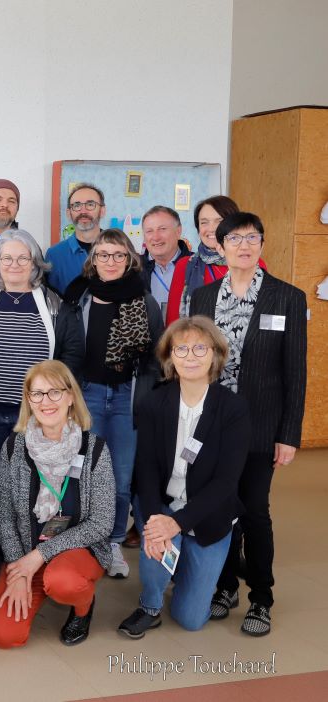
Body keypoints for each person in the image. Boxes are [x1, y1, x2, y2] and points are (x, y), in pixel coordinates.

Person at [190, 212, 307, 636]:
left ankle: (261, 597)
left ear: (261, 244)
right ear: (218, 247)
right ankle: (225, 587)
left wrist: (289, 435)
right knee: (219, 509)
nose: (244, 244)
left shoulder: (287, 297)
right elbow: (191, 363)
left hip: (260, 426)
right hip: (211, 424)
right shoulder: (202, 297)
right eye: (234, 238)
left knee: (255, 510)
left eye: (252, 237)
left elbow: (296, 372)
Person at [0, 229, 84, 584]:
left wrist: (55, 403)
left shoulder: (55, 305)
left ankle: (37, 552)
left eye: (23, 258)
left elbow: (71, 355)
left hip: (38, 417)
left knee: (38, 484)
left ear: (36, 264)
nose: (14, 265)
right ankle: (5, 553)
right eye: (6, 258)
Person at [118, 317, 250, 638]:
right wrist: (156, 523)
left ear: (215, 355)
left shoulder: (233, 409)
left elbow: (226, 483)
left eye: (200, 348)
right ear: (170, 357)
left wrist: (177, 524)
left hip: (212, 515)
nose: (190, 356)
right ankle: (150, 605)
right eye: (182, 348)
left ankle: (189, 570)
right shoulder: (154, 404)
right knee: (157, 537)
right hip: (164, 506)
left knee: (191, 619)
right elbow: (146, 472)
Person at [0, 361, 114, 648]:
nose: (46, 401)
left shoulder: (95, 450)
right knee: (3, 636)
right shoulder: (13, 448)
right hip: (25, 554)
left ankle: (82, 609)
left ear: (70, 397)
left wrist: (41, 554)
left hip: (77, 553)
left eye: (55, 392)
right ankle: (35, 581)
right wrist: (18, 568)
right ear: (28, 400)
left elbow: (103, 522)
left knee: (64, 581)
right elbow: (4, 513)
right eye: (37, 394)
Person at [62, 229, 164, 579]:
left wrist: (145, 399)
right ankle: (86, 540)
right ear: (93, 260)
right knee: (85, 475)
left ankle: (113, 542)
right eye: (103, 254)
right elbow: (67, 350)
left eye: (118, 255)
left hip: (125, 398)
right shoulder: (78, 297)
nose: (110, 261)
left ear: (130, 259)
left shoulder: (144, 300)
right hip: (87, 394)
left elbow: (156, 359)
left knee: (120, 479)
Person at [166, 195, 266, 325]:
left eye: (219, 221)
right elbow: (173, 321)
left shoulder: (253, 263)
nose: (211, 228)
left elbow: (263, 313)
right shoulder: (185, 265)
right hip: (197, 343)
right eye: (204, 222)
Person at [45, 183, 105, 296]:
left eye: (90, 204)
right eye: (77, 205)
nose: (83, 211)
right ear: (69, 213)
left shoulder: (120, 250)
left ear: (102, 211)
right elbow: (51, 300)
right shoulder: (54, 255)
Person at [140, 205, 192, 323]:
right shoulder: (132, 268)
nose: (155, 237)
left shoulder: (196, 265)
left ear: (178, 231)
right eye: (149, 231)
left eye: (162, 229)